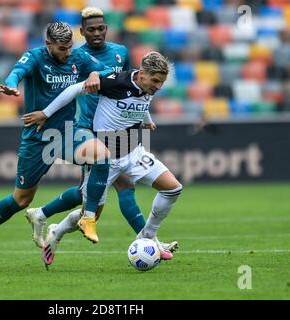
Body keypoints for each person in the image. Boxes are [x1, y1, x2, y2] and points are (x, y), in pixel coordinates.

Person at [23, 52, 182, 267]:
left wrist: (147, 120)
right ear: (142, 74)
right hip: (104, 158)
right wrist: (46, 112)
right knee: (89, 215)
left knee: (173, 188)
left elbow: (140, 103)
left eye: (161, 83)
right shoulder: (115, 82)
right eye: (155, 81)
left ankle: (147, 236)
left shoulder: (148, 87)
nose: (158, 87)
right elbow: (73, 90)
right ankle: (56, 230)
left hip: (134, 152)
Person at [0, 22, 114, 261]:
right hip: (38, 138)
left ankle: (88, 218)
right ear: (48, 44)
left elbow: (106, 72)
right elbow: (17, 72)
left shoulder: (78, 56)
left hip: (68, 133)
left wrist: (94, 73)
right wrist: (11, 84)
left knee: (101, 156)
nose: (67, 52)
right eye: (62, 48)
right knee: (21, 199)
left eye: (69, 47)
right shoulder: (35, 57)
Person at [24, 7, 156, 249]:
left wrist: (144, 117)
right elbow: (67, 91)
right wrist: (47, 113)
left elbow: (133, 88)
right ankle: (46, 218)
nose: (97, 33)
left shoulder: (120, 52)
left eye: (101, 28)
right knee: (91, 197)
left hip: (118, 129)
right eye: (91, 29)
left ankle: (150, 241)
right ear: (82, 32)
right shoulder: (75, 57)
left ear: (106, 28)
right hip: (90, 130)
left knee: (122, 185)